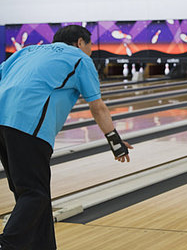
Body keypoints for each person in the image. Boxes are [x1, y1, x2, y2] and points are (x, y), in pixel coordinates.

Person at [0, 25, 133, 250]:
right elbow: (97, 106)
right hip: (29, 126)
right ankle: (7, 244)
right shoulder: (81, 59)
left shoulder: (27, 51)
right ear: (81, 42)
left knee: (28, 193)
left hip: (2, 122)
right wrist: (115, 142)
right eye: (90, 45)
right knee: (35, 194)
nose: (90, 50)